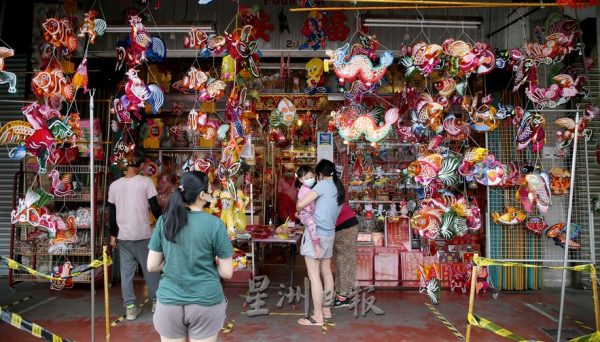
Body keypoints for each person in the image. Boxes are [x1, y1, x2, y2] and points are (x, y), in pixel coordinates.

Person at [147, 171, 234, 342]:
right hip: (205, 302)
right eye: (210, 191)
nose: (212, 195)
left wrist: (174, 261)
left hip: (169, 302)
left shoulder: (164, 221)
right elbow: (227, 272)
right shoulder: (215, 225)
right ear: (202, 195)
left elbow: (151, 265)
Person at [109, 154, 162, 320]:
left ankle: (130, 308)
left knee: (126, 273)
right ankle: (156, 303)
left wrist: (112, 235)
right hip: (144, 235)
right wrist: (163, 224)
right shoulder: (146, 182)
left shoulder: (114, 186)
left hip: (124, 237)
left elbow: (112, 214)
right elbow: (154, 207)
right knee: (151, 270)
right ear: (139, 165)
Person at [295, 159, 345, 326]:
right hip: (330, 233)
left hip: (316, 233)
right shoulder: (339, 188)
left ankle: (317, 317)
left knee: (314, 276)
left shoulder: (323, 185)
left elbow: (300, 204)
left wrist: (300, 209)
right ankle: (326, 309)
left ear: (320, 174)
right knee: (326, 272)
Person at [332, 203, 360, 308]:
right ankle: (340, 294)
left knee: (344, 261)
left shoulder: (321, 192)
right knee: (341, 261)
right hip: (344, 226)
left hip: (345, 227)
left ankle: (342, 297)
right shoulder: (329, 190)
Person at [295, 165, 320, 257]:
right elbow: (308, 205)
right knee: (311, 225)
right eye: (306, 178)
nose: (310, 179)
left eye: (311, 177)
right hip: (306, 214)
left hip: (308, 213)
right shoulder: (304, 190)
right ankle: (316, 246)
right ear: (301, 180)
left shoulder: (309, 189)